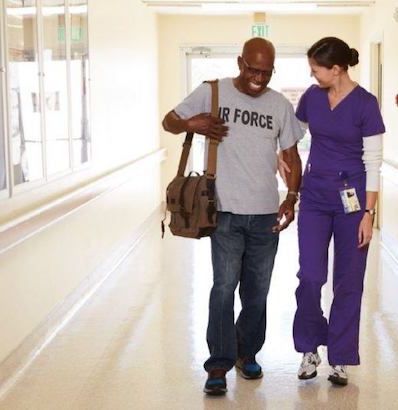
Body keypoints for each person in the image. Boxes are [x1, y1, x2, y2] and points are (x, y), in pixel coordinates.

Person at [161, 37, 304, 396]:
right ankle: (219, 365)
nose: (258, 77)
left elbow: (291, 155)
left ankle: (248, 352)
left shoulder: (279, 105)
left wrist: (291, 198)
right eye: (253, 69)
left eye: (266, 72)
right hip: (223, 210)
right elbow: (169, 121)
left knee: (257, 291)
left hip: (265, 214)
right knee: (224, 288)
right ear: (240, 63)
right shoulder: (212, 92)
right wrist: (191, 124)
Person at [290, 37, 385, 386]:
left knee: (349, 281)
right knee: (311, 276)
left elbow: (374, 163)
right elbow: (292, 135)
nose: (312, 73)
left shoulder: (365, 104)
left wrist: (369, 214)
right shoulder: (312, 97)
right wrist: (281, 164)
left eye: (316, 68)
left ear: (337, 68)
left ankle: (341, 356)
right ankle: (309, 348)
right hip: (314, 197)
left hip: (353, 204)